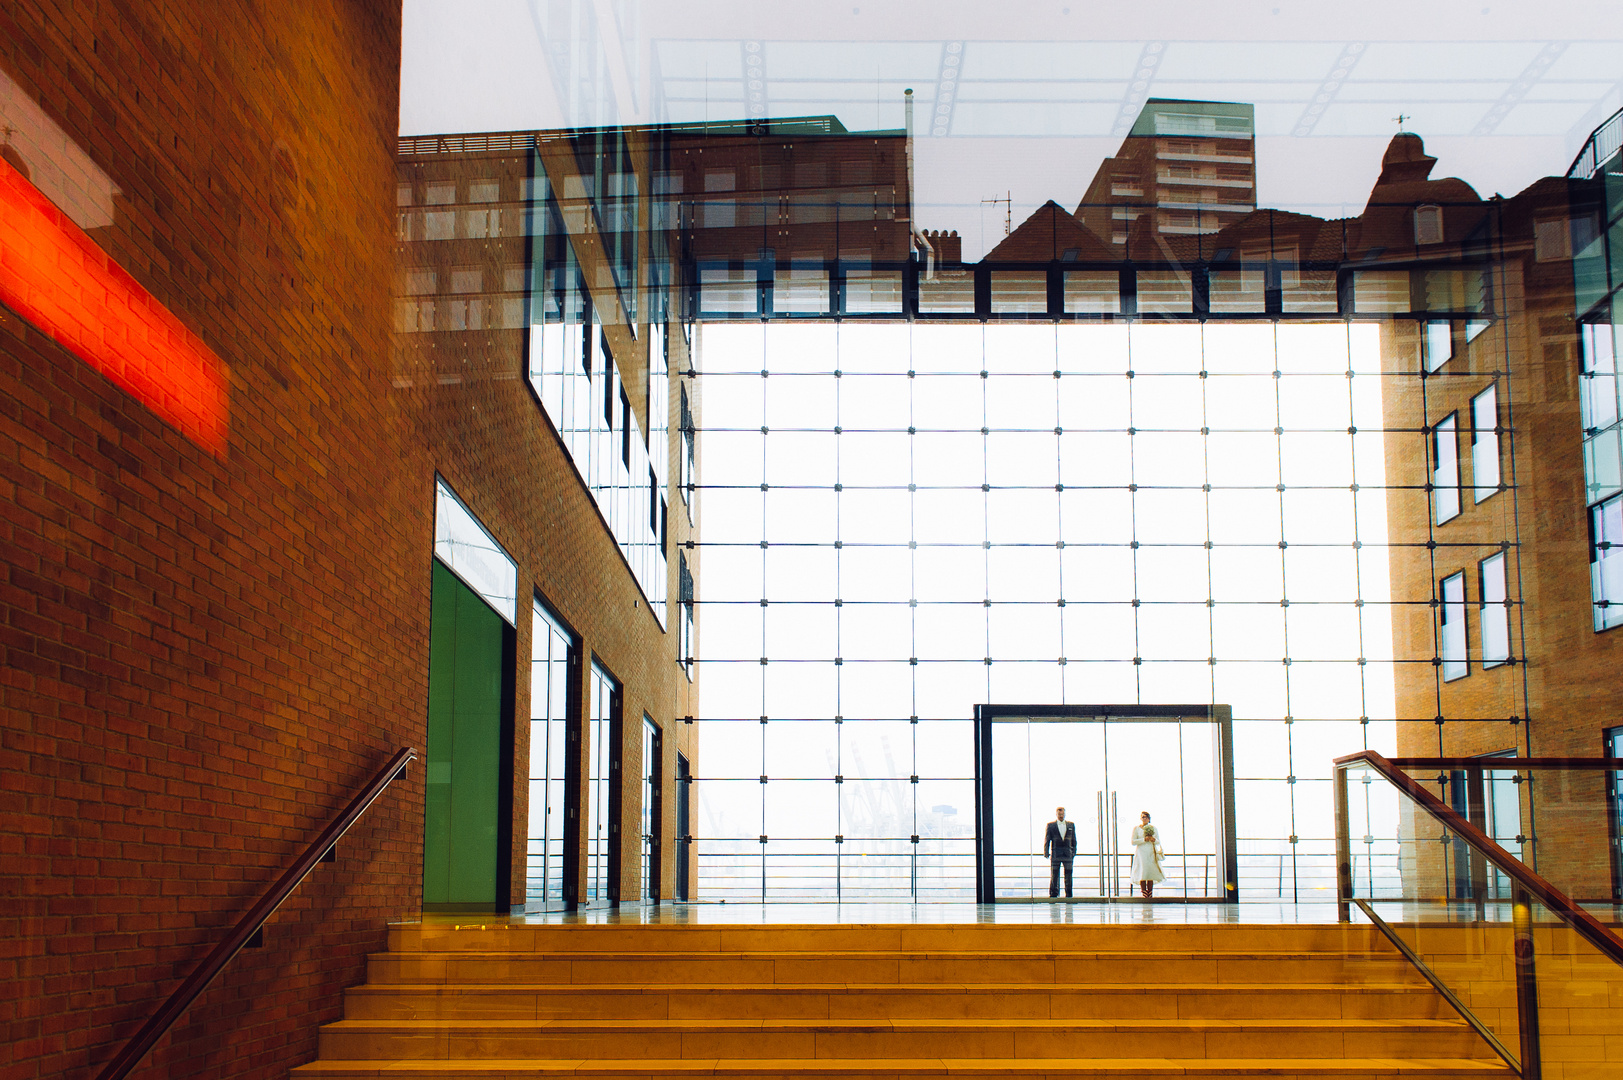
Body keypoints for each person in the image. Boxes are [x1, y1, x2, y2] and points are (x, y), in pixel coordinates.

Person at [1044, 806, 1077, 898]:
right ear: (1056, 814)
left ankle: (1069, 894)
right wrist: (1046, 851)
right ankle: (1054, 894)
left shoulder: (1071, 825)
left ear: (1065, 814)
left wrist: (1074, 852)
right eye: (1059, 814)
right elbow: (1047, 839)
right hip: (1056, 854)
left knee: (1068, 875)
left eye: (1062, 814)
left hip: (1068, 854)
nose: (1061, 816)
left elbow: (1074, 839)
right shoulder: (1051, 825)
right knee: (1054, 875)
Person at [1130, 811, 1164, 899]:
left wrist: (1153, 839)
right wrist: (1144, 839)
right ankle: (1144, 892)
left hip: (1150, 851)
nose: (1144, 819)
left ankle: (1150, 892)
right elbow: (1133, 842)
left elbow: (1158, 841)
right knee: (1142, 871)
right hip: (1141, 852)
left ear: (1149, 818)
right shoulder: (1136, 828)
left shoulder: (1153, 828)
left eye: (1146, 817)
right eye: (1142, 817)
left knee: (1150, 871)